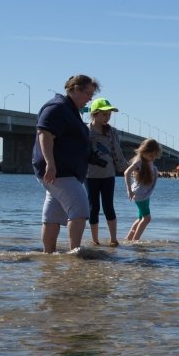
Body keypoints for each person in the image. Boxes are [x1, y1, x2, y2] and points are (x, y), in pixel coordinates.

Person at [33, 75, 97, 253]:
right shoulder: (57, 107)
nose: (89, 99)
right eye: (87, 94)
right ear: (76, 89)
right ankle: (75, 253)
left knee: (54, 215)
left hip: (63, 172)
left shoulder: (70, 110)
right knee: (81, 208)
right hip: (59, 171)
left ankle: (48, 256)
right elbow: (44, 133)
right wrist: (50, 164)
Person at [85, 98, 128, 246]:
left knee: (108, 206)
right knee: (93, 207)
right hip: (90, 175)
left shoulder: (112, 132)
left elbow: (117, 152)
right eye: (104, 114)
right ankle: (95, 240)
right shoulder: (86, 131)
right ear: (95, 114)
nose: (107, 117)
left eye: (109, 114)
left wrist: (123, 168)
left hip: (108, 175)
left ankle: (113, 239)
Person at [124, 139, 162, 241]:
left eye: (154, 156)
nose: (152, 158)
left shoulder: (148, 161)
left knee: (141, 218)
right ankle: (135, 240)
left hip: (145, 193)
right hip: (140, 194)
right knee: (147, 218)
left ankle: (129, 238)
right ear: (144, 152)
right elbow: (126, 173)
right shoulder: (139, 161)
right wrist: (129, 190)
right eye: (151, 156)